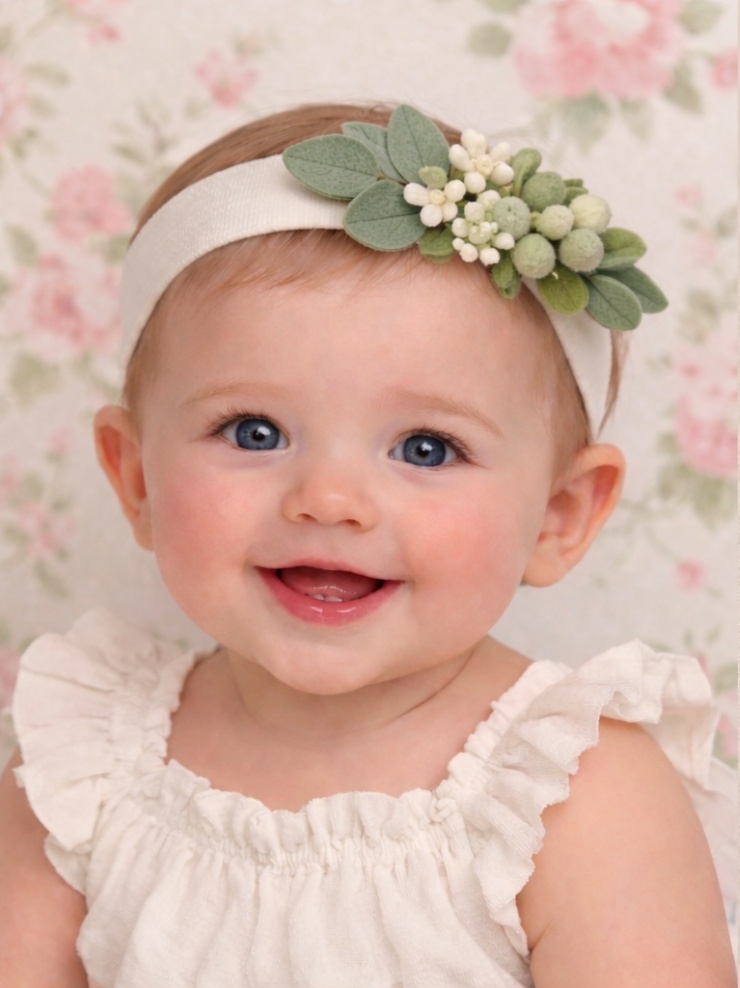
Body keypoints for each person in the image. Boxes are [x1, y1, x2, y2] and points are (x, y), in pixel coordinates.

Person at [0, 102, 735, 988]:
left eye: (428, 448)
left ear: (558, 516)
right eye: (254, 431)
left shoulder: (572, 800)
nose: (330, 501)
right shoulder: (82, 764)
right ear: (138, 479)